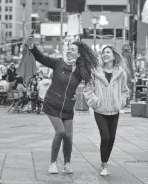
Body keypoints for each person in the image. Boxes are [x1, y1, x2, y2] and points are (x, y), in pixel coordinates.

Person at [27, 37, 98, 174]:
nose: (70, 51)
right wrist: (32, 47)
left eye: (73, 50)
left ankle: (67, 164)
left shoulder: (81, 71)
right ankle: (53, 163)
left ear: (79, 54)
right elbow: (41, 58)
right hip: (52, 103)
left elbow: (94, 80)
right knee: (60, 131)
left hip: (67, 107)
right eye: (69, 49)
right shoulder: (58, 63)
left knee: (69, 136)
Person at [83, 46, 129, 176]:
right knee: (105, 136)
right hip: (100, 110)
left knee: (112, 138)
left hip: (114, 111)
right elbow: (88, 89)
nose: (105, 54)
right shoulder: (95, 72)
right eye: (103, 52)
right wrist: (95, 101)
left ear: (114, 56)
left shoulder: (121, 73)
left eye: (108, 52)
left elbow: (125, 91)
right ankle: (104, 165)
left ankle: (104, 160)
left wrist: (121, 101)